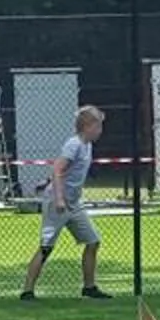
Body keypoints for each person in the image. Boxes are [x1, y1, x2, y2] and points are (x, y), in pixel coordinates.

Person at [18, 105, 110, 301]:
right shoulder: (73, 145)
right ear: (87, 126)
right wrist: (59, 199)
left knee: (93, 242)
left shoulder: (87, 145)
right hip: (57, 203)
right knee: (46, 247)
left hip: (74, 204)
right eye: (98, 126)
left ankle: (89, 287)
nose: (100, 131)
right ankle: (27, 291)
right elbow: (57, 170)